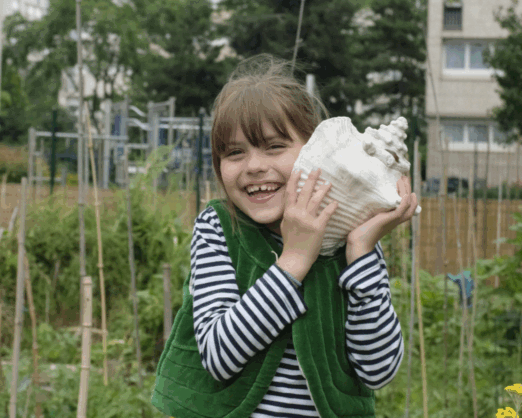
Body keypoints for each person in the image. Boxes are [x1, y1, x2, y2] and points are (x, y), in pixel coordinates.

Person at [151, 54, 417, 418]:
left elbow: (378, 370)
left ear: (314, 150)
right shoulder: (218, 228)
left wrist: (360, 252)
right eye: (234, 153)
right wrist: (294, 259)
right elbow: (218, 356)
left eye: (274, 146)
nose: (254, 166)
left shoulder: (353, 240)